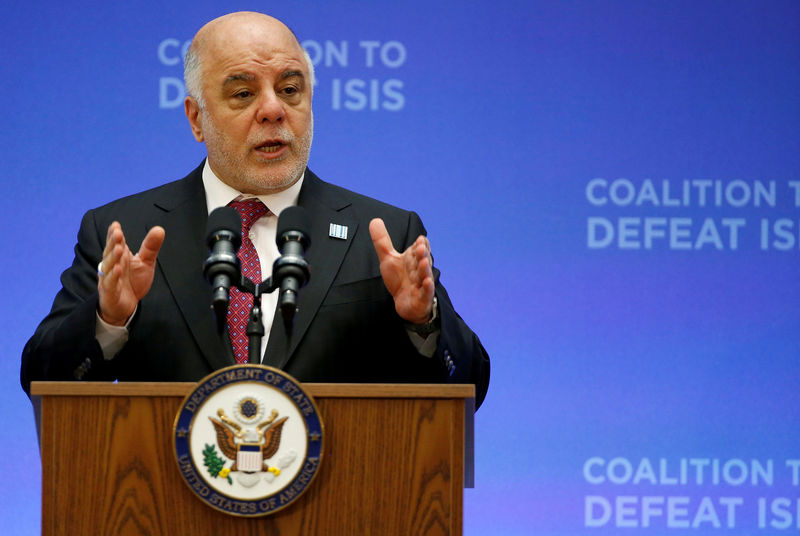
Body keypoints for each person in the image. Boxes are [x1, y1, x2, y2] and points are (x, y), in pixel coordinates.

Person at [20, 12, 489, 408]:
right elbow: (42, 379)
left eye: (290, 89)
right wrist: (108, 320)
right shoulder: (124, 230)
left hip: (341, 508)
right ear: (196, 117)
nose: (273, 110)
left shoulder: (384, 233)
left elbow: (469, 384)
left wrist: (421, 322)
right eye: (243, 94)